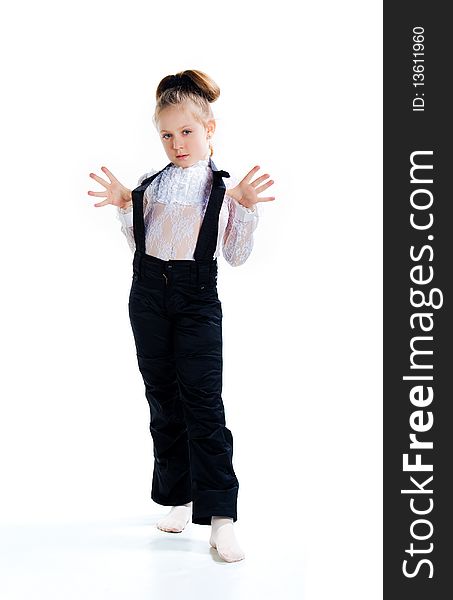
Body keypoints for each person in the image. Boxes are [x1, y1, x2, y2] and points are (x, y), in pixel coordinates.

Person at [87, 69, 275, 563]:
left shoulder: (222, 190)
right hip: (147, 295)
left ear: (209, 128)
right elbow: (139, 244)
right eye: (167, 135)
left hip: (196, 299)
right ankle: (177, 495)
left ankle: (221, 518)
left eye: (186, 132)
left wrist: (249, 211)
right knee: (163, 399)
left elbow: (234, 257)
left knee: (204, 405)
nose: (177, 143)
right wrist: (124, 205)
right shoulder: (150, 185)